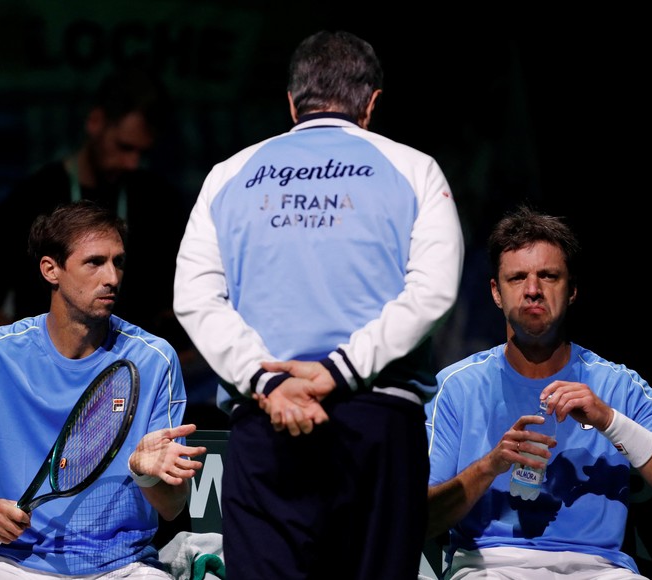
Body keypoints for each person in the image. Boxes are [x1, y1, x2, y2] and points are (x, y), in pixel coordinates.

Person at [173, 30, 465, 580]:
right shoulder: (416, 169)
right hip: (378, 422)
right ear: (373, 103)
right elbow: (433, 292)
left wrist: (270, 385)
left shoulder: (227, 176)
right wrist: (338, 372)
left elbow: (194, 298)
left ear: (291, 102)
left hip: (267, 424)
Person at [0, 200, 206, 579]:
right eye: (94, 262)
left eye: (118, 262)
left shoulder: (154, 359)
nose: (112, 278)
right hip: (11, 565)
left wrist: (147, 475)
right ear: (51, 269)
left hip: (125, 567)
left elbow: (171, 507)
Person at [424, 204, 652, 579]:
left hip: (602, 570)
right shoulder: (456, 386)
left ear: (572, 289)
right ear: (496, 292)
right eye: (517, 278)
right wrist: (491, 464)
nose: (533, 290)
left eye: (548, 276)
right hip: (491, 567)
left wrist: (610, 421)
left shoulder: (618, 384)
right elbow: (417, 519)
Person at [0, 65, 193, 369]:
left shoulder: (160, 203)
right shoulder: (31, 199)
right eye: (123, 147)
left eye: (141, 152)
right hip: (45, 381)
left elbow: (187, 314)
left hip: (132, 383)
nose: (132, 163)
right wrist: (37, 357)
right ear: (95, 122)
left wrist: (154, 365)